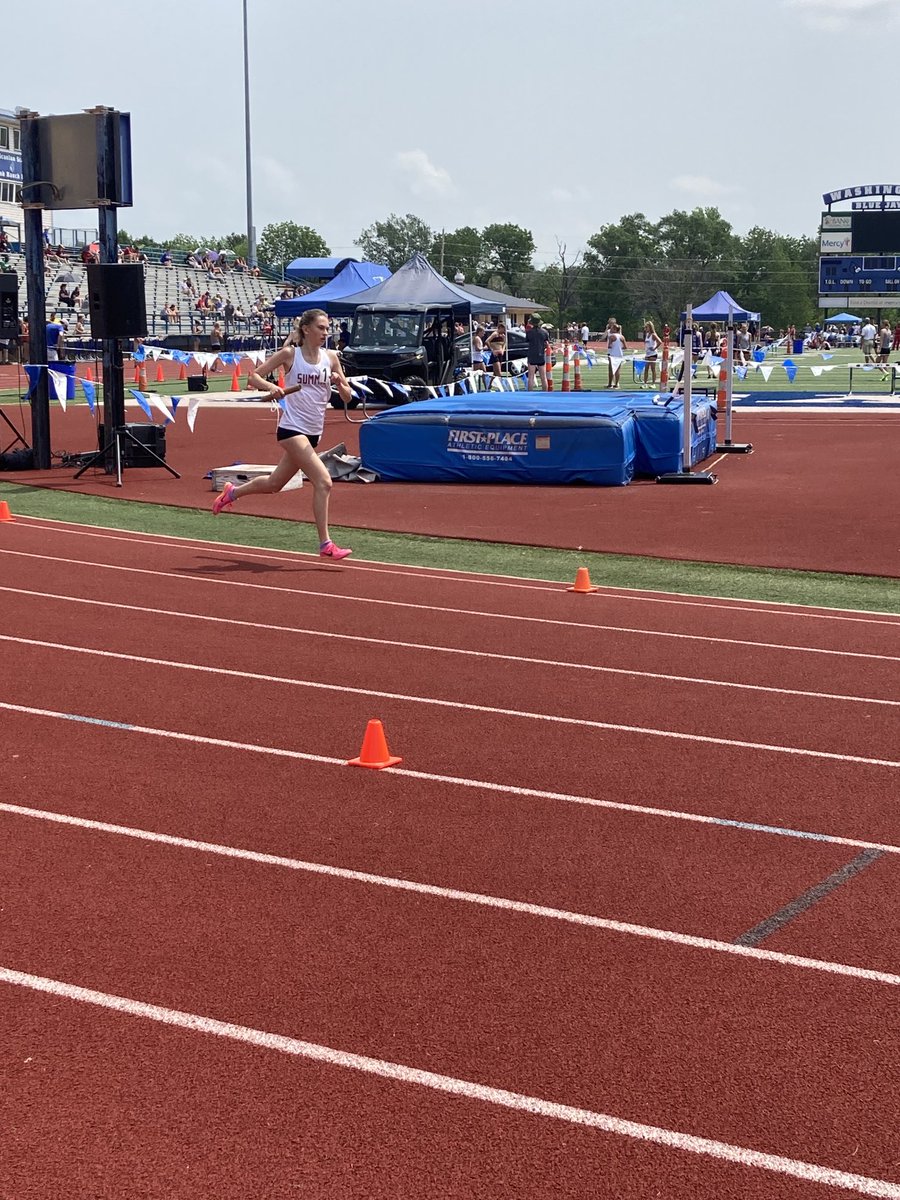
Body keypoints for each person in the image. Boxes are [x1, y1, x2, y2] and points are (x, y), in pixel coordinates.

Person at [212, 308, 353, 560]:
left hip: (313, 432)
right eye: (321, 328)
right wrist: (272, 387)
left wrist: (339, 383)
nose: (326, 333)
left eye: (327, 328)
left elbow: (347, 397)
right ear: (306, 329)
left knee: (275, 484)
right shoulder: (291, 354)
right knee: (324, 482)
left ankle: (231, 492)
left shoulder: (331, 358)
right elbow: (253, 376)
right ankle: (325, 544)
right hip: (291, 429)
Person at [524, 317, 550, 389]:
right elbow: (547, 343)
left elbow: (527, 341)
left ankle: (530, 393)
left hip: (532, 354)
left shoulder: (529, 332)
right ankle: (545, 393)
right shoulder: (544, 332)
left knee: (531, 376)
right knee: (543, 377)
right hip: (541, 354)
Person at [642, 320, 662, 389]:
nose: (646, 329)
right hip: (647, 354)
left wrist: (654, 348)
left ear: (650, 327)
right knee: (646, 369)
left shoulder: (653, 335)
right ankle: (645, 383)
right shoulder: (647, 335)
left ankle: (653, 383)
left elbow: (660, 342)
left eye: (647, 327)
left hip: (653, 354)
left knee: (653, 369)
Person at [608, 323, 626, 388]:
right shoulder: (622, 337)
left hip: (613, 354)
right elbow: (625, 347)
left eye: (612, 328)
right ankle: (617, 384)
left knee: (611, 369)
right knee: (618, 370)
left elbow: (609, 346)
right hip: (620, 354)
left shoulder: (611, 336)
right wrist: (619, 347)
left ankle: (610, 384)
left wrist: (613, 346)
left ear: (615, 329)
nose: (611, 329)